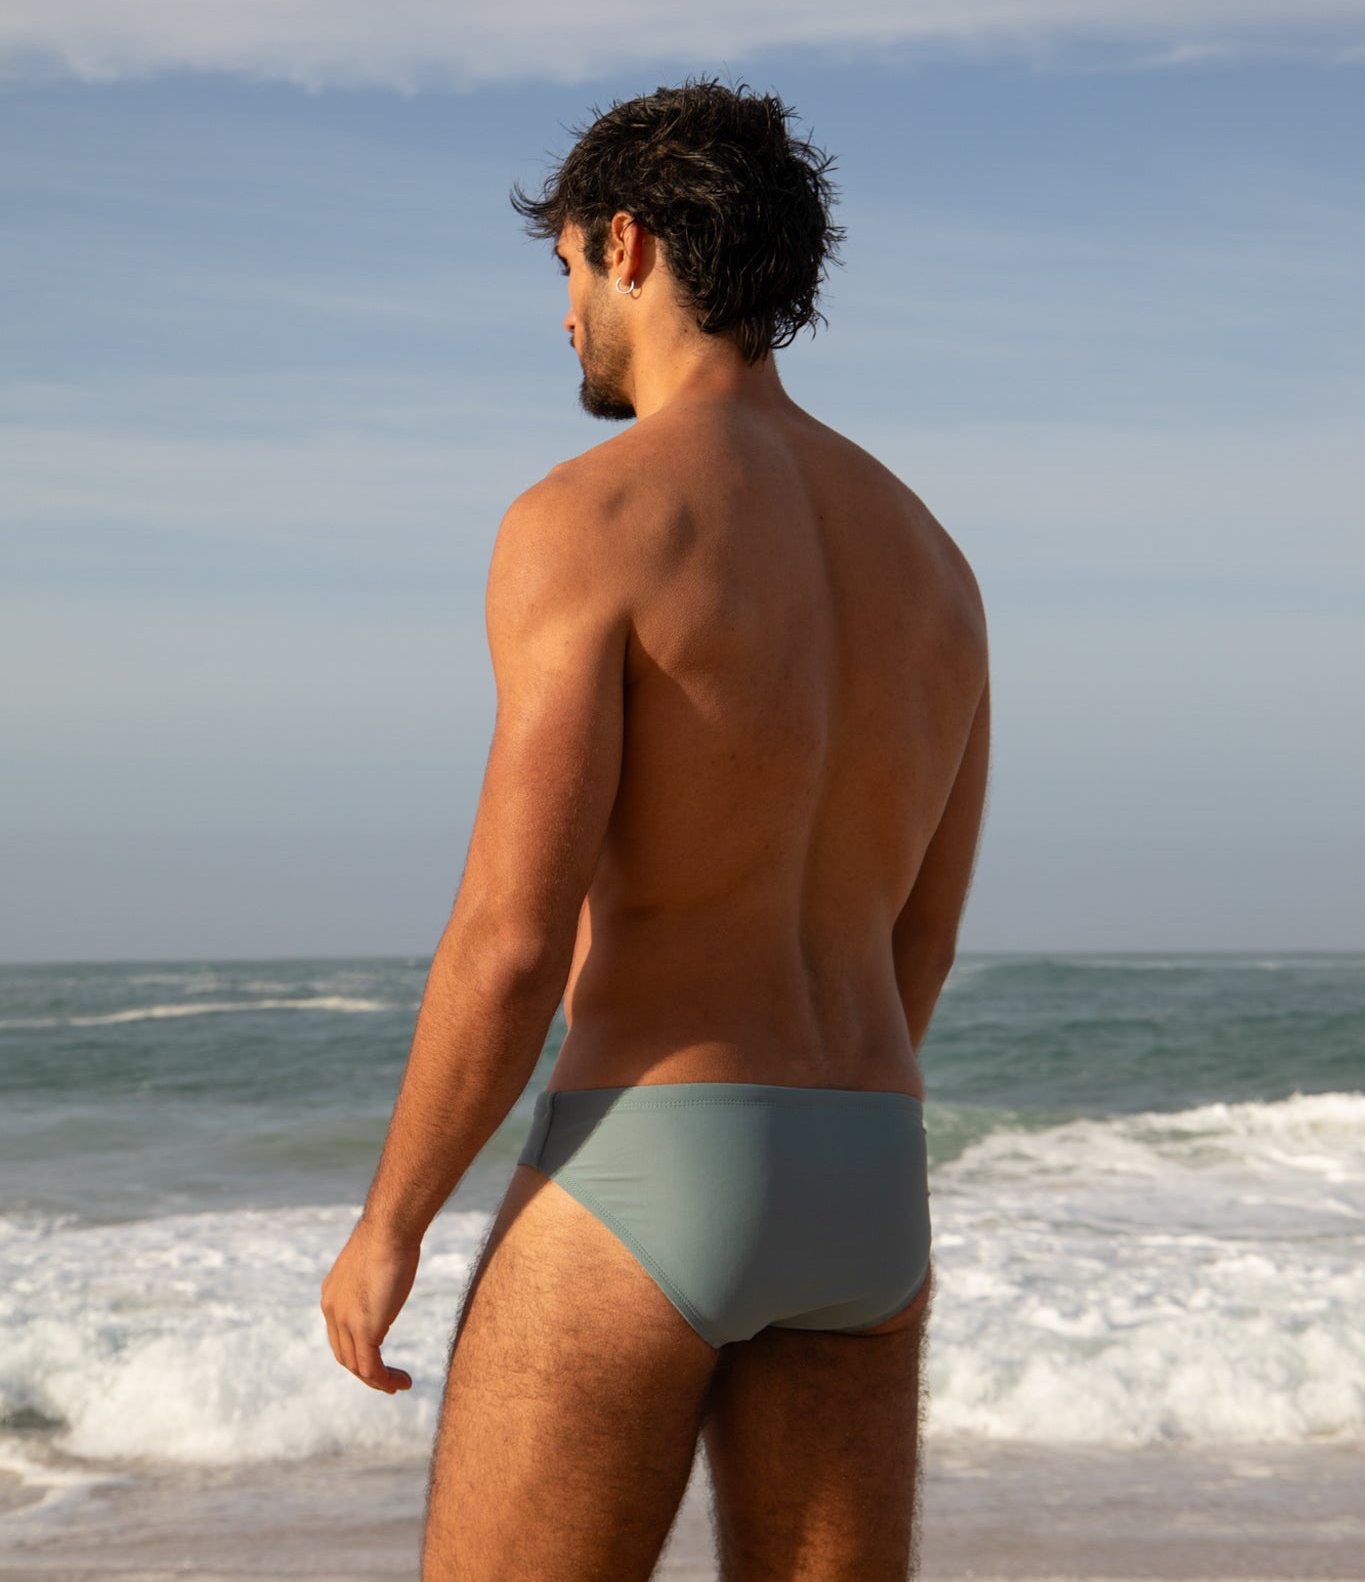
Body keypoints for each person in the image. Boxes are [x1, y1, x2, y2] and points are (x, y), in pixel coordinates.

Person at [320, 80, 990, 1581]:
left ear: (625, 243)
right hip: (870, 1172)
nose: (563, 316)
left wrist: (393, 1224)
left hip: (656, 1155)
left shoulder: (591, 518)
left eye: (563, 270)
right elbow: (920, 936)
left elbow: (507, 940)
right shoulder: (932, 562)